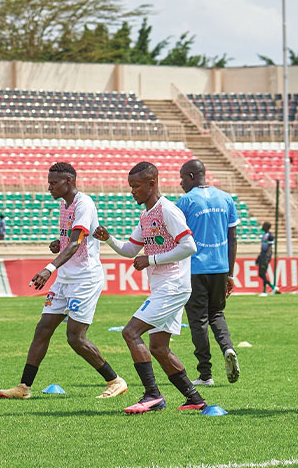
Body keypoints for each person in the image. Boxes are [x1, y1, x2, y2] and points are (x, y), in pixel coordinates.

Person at [0, 162, 127, 400]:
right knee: (42, 329)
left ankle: (115, 380)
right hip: (65, 279)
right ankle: (23, 387)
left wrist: (49, 268)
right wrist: (59, 243)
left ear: (69, 181)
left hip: (85, 279)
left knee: (75, 337)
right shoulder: (64, 206)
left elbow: (77, 243)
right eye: (49, 182)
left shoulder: (84, 204)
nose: (49, 187)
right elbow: (70, 240)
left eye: (54, 183)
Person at [98, 162, 207, 413]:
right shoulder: (146, 215)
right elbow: (130, 250)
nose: (132, 191)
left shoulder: (167, 210)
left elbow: (189, 246)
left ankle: (152, 395)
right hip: (163, 287)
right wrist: (109, 239)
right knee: (159, 347)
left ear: (151, 184)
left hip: (173, 286)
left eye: (136, 186)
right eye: (130, 187)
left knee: (130, 332)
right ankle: (195, 399)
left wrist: (152, 259)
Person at [177, 160, 240, 387]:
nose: (181, 182)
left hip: (194, 269)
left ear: (192, 176)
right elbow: (233, 238)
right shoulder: (225, 198)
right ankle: (228, 348)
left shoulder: (185, 202)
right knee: (217, 314)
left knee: (198, 321)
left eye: (183, 177)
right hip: (220, 267)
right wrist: (230, 273)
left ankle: (205, 374)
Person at [256, 222, 278, 295]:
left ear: (266, 227)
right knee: (262, 273)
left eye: (263, 225)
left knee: (262, 273)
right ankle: (270, 289)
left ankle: (268, 289)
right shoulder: (265, 235)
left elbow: (270, 247)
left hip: (265, 256)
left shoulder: (270, 236)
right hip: (263, 255)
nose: (262, 226)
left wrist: (266, 257)